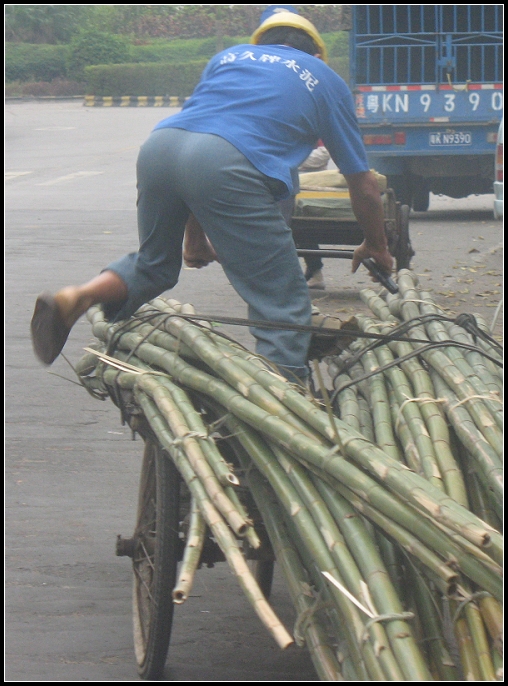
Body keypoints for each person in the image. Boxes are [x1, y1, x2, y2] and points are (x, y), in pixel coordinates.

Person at [31, 5, 393, 384]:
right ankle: (282, 402)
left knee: (154, 265)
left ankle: (76, 295)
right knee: (282, 305)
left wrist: (194, 239)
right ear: (316, 52)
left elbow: (199, 147)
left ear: (261, 43)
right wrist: (376, 244)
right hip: (229, 164)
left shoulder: (229, 58)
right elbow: (363, 185)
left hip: (161, 147)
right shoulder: (325, 78)